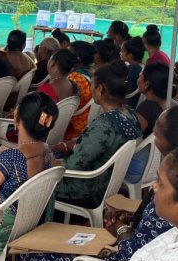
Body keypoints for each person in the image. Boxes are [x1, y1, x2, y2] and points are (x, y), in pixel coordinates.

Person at [19, 104, 178, 261]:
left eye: (159, 182)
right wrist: (133, 219)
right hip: (129, 260)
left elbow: (129, 257)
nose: (153, 187)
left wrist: (121, 228)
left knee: (28, 257)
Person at [51, 61, 141, 207]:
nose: (91, 89)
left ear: (100, 89)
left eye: (92, 84)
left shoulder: (106, 124)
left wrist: (49, 163)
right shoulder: (129, 114)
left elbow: (73, 165)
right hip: (108, 183)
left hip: (88, 188)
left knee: (28, 177)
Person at [0, 92, 58, 252]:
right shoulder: (50, 155)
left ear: (16, 115)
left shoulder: (9, 158)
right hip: (35, 225)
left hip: (3, 235)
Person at [124, 63, 171, 185]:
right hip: (155, 163)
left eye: (140, 76)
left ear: (146, 84)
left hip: (139, 166)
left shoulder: (147, 107)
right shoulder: (167, 103)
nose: (137, 79)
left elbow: (131, 136)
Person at [65, 40, 96, 139]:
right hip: (85, 124)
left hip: (72, 126)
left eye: (69, 52)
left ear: (77, 57)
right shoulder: (91, 74)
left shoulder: (75, 78)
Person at [121, 36, 146, 108]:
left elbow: (128, 91)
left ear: (130, 55)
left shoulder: (134, 69)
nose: (120, 53)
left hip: (130, 105)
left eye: (122, 51)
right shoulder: (141, 67)